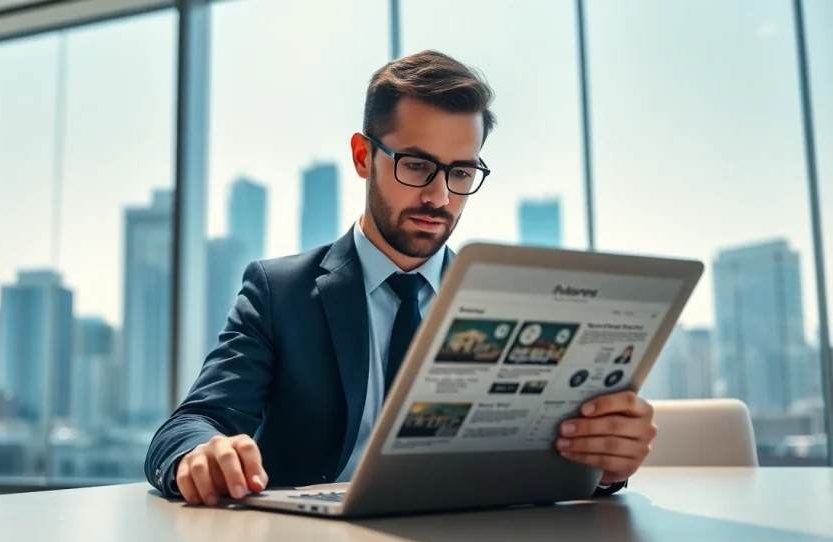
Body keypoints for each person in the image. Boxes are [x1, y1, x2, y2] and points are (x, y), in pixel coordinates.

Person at [146, 50, 657, 506]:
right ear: (364, 156)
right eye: (417, 166)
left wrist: (604, 465)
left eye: (461, 173)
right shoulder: (279, 293)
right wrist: (199, 455)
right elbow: (191, 423)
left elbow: (550, 457)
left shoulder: (513, 301)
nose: (439, 197)